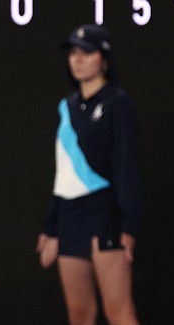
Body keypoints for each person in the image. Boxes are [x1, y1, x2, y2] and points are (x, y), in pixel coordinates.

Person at [36, 24, 141, 325]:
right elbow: (64, 172)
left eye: (87, 52)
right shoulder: (66, 107)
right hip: (70, 218)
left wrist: (128, 225)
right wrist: (52, 226)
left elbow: (126, 167)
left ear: (104, 58)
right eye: (73, 52)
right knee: (80, 314)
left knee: (118, 311)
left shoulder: (117, 104)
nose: (77, 59)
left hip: (104, 215)